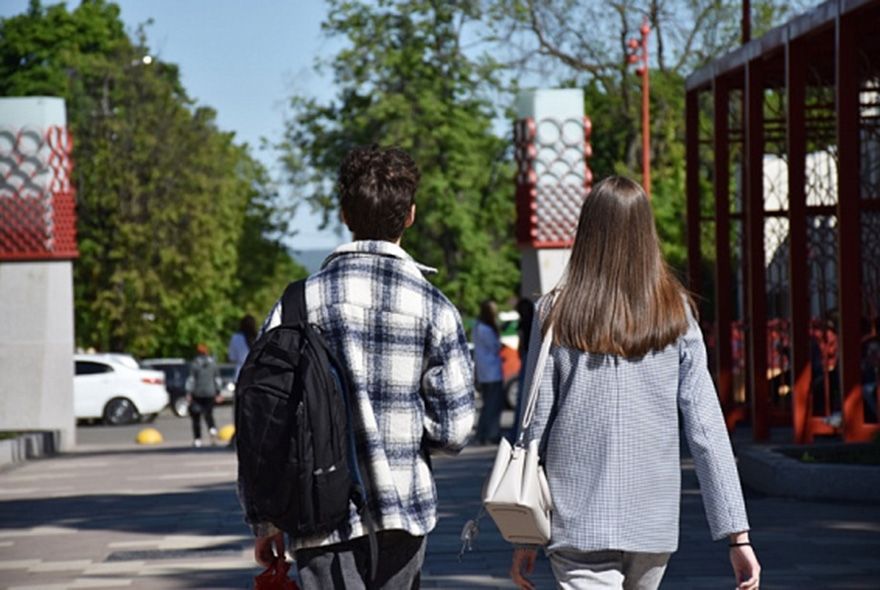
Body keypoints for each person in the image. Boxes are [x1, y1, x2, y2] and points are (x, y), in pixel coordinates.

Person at [510, 177, 760, 590]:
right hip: (652, 518)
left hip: (575, 516)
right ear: (647, 234)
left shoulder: (556, 311)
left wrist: (524, 534)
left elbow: (534, 422)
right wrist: (738, 535)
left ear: (587, 232)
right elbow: (706, 428)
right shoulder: (675, 312)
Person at [243, 145, 475, 589]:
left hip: (317, 513)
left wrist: (266, 520)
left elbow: (263, 424)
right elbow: (455, 430)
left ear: (345, 214)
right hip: (404, 510)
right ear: (409, 215)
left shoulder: (298, 303)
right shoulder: (435, 308)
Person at [473, 299, 504, 445]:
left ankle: (482, 433)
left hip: (484, 371)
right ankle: (492, 433)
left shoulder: (478, 327)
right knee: (493, 404)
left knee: (487, 405)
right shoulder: (487, 329)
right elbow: (495, 347)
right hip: (492, 371)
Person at [186, 343, 221, 447]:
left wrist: (188, 392)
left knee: (196, 417)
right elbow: (217, 379)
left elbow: (191, 380)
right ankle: (212, 429)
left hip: (197, 393)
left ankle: (198, 439)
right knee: (209, 414)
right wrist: (218, 392)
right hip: (210, 393)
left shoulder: (194, 364)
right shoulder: (213, 364)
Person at [512, 297, 536, 440]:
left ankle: (516, 433)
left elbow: (520, 347)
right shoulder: (534, 323)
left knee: (521, 397)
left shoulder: (522, 325)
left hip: (526, 357)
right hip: (532, 357)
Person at [228, 314, 257, 380]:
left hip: (240, 373)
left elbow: (232, 357)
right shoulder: (258, 338)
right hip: (255, 373)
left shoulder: (235, 338)